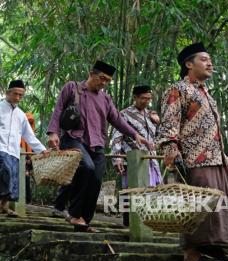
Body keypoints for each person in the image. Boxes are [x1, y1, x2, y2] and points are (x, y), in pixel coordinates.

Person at [156, 43, 228, 261]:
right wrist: (171, 148)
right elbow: (169, 121)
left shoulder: (205, 92)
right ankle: (194, 252)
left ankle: (217, 247)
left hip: (217, 156)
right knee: (200, 204)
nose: (210, 63)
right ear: (188, 64)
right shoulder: (178, 89)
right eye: (203, 59)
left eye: (210, 59)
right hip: (195, 157)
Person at [47, 60, 152, 232]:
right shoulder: (73, 88)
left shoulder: (105, 98)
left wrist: (135, 134)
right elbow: (58, 109)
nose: (103, 83)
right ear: (91, 73)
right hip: (74, 138)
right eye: (101, 78)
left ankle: (84, 220)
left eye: (107, 81)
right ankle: (74, 214)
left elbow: (117, 119)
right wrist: (53, 133)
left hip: (96, 143)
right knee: (86, 167)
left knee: (96, 178)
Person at [0, 80, 47, 216]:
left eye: (21, 95)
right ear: (7, 93)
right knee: (5, 169)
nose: (17, 97)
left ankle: (4, 206)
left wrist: (42, 150)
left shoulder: (21, 115)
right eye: (15, 94)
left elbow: (29, 136)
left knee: (14, 177)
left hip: (14, 149)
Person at [110, 85, 162, 226]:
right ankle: (128, 222)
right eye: (143, 98)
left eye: (149, 99)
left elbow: (158, 137)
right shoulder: (124, 114)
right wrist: (117, 157)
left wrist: (158, 122)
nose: (146, 101)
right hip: (132, 158)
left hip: (150, 158)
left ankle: (147, 223)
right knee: (130, 189)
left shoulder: (150, 115)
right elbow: (116, 137)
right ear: (135, 97)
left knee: (151, 189)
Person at [20, 112, 36, 204]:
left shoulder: (32, 136)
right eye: (28, 123)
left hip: (27, 161)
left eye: (31, 123)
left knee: (26, 177)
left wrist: (30, 159)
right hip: (19, 159)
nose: (29, 125)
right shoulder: (19, 133)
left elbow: (33, 149)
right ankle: (21, 199)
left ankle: (27, 200)